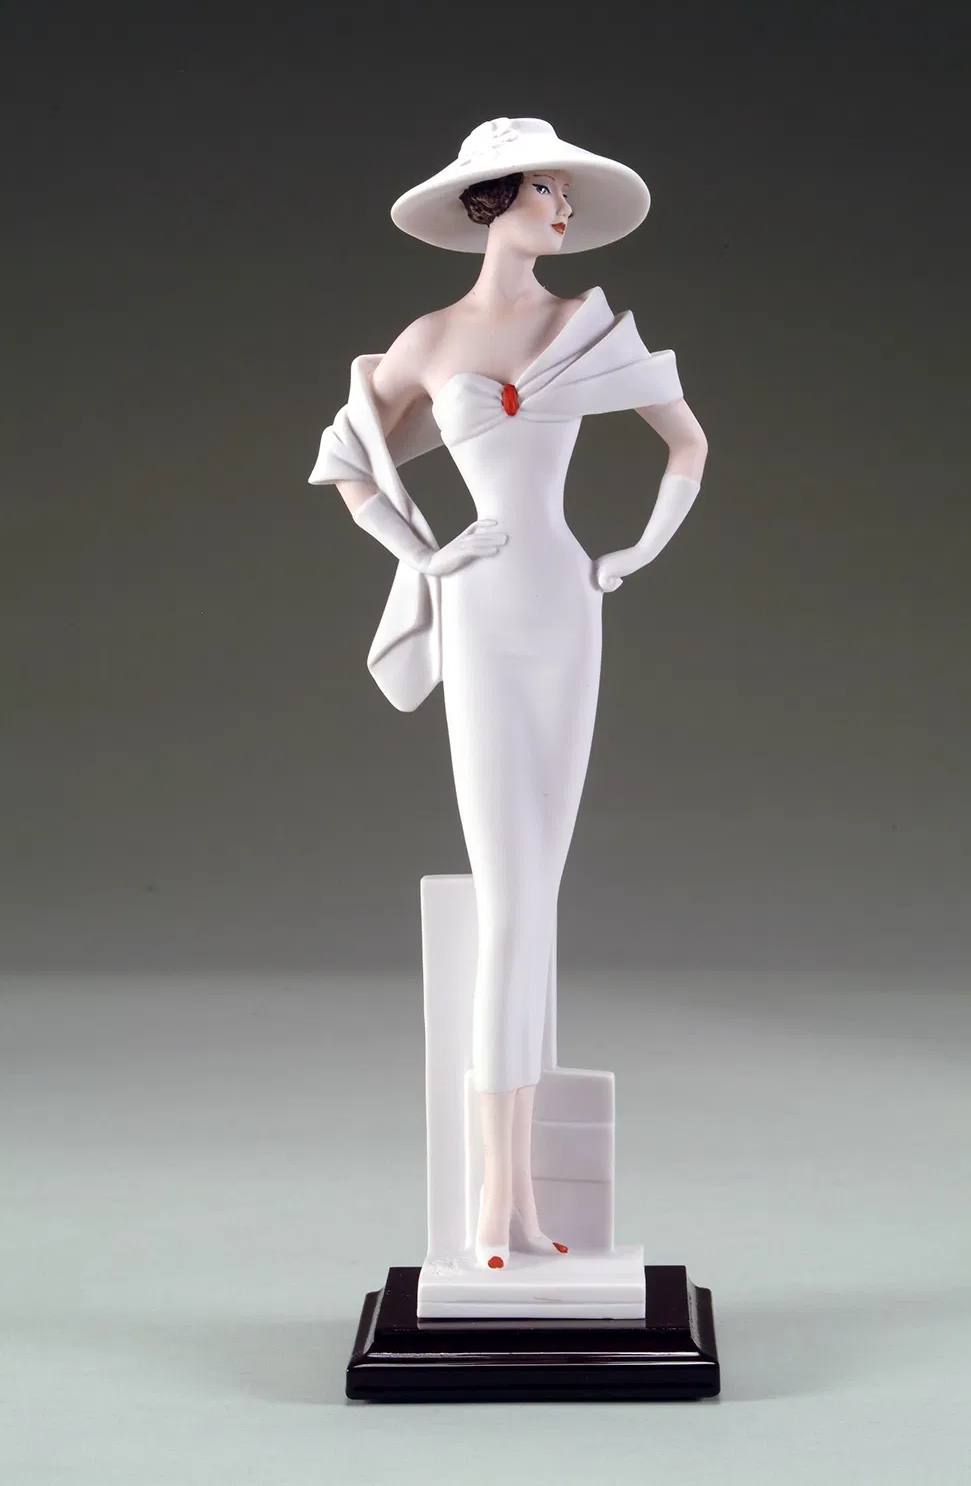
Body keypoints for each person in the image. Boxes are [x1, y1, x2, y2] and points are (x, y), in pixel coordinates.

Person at [308, 117, 708, 1269]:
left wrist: (633, 553)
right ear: (493, 201)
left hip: (566, 609)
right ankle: (496, 1203)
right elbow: (348, 460)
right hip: (482, 609)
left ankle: (520, 1204)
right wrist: (424, 554)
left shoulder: (583, 325)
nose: (563, 209)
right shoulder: (429, 338)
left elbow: (686, 446)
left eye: (567, 194)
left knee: (539, 894)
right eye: (546, 190)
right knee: (509, 897)